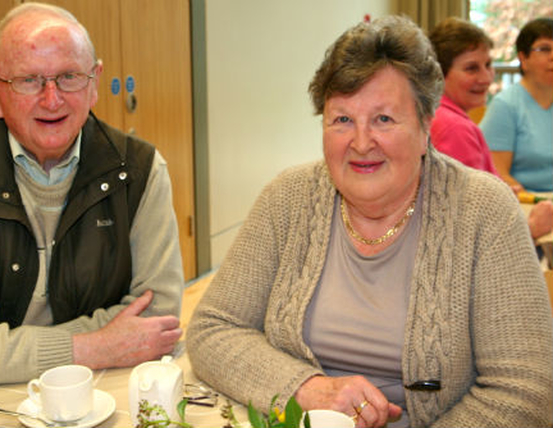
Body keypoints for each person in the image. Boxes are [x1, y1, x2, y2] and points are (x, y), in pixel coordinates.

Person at [187, 15, 553, 428]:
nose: (361, 143)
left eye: (383, 119)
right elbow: (213, 329)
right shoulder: (287, 200)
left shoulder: (485, 212)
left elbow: (526, 390)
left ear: (425, 124)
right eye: (342, 119)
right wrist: (306, 388)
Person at [0, 3, 184, 386]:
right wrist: (92, 346)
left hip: (105, 386)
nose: (52, 99)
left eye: (69, 76)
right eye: (29, 80)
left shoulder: (140, 171)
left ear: (94, 83)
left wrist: (4, 351)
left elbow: (158, 317)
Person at [429, 17, 553, 240]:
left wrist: (500, 192)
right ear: (439, 73)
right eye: (471, 69)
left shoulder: (445, 118)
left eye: (487, 65)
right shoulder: (455, 128)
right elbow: (470, 230)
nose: (486, 78)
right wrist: (533, 227)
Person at [480, 18, 553, 193]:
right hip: (528, 206)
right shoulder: (505, 106)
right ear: (523, 58)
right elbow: (498, 175)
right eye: (544, 49)